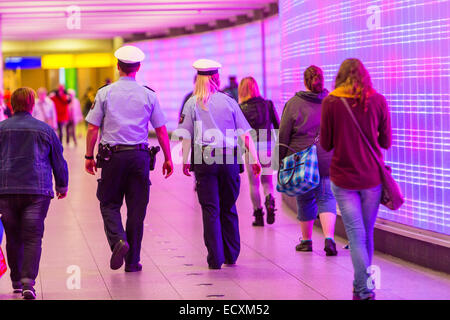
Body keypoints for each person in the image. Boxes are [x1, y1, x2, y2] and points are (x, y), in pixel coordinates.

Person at [85, 45, 174, 273]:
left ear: (118, 67)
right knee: (137, 209)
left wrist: (88, 156)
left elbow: (93, 128)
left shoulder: (105, 93)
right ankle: (133, 261)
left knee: (109, 203)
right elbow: (162, 130)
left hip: (113, 158)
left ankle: (118, 241)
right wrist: (167, 157)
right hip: (139, 157)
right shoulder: (148, 94)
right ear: (138, 67)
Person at [177, 59, 262, 270]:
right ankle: (231, 255)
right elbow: (244, 133)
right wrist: (255, 159)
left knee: (210, 209)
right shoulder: (230, 102)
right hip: (229, 159)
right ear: (216, 78)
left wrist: (186, 159)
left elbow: (185, 134)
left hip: (205, 160)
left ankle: (215, 258)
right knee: (228, 207)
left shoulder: (191, 103)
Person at [320, 58, 392, 300]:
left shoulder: (331, 102)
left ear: (339, 77)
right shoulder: (378, 100)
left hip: (343, 178)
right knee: (367, 232)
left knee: (355, 233)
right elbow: (386, 142)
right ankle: (361, 284)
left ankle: (362, 288)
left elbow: (327, 143)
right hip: (372, 178)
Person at [0, 87, 68, 300]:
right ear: (32, 105)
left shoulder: (1, 129)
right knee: (32, 237)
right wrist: (62, 185)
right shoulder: (45, 130)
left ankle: (15, 281)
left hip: (6, 191)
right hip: (37, 192)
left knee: (13, 236)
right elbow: (58, 159)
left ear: (12, 104)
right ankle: (28, 282)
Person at [278, 66, 338, 256]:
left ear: (305, 81)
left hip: (301, 158)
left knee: (305, 199)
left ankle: (307, 241)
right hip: (327, 157)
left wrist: (280, 160)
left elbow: (283, 135)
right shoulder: (333, 102)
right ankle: (329, 239)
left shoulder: (294, 104)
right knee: (327, 197)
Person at [238, 77, 280, 226]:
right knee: (268, 182)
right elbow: (277, 125)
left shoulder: (240, 108)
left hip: (251, 149)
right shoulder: (267, 104)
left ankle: (258, 215)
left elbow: (240, 133)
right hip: (267, 146)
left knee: (254, 184)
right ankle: (270, 202)